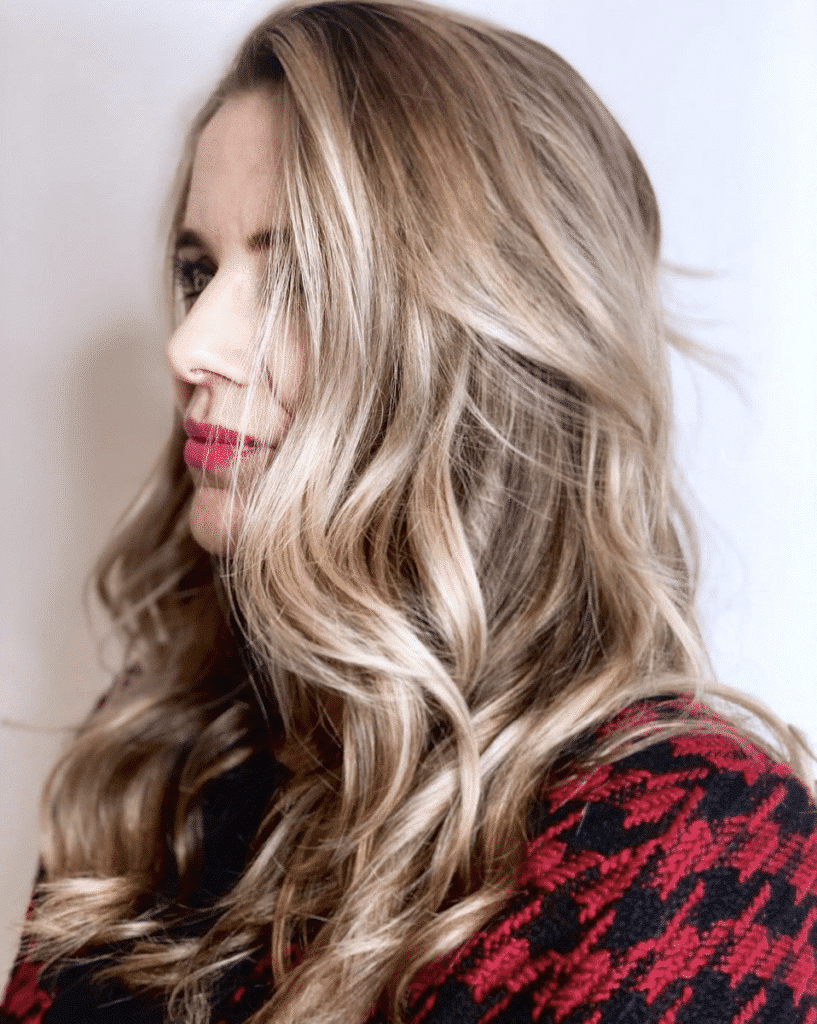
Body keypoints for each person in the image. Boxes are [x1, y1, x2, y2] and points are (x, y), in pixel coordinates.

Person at [3, 1, 817, 1022]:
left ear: (487, 344)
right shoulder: (165, 754)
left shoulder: (696, 839)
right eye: (198, 271)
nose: (190, 345)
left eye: (296, 279)